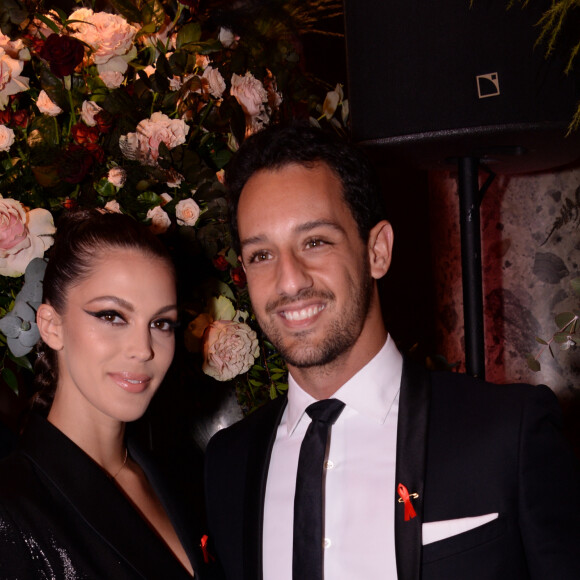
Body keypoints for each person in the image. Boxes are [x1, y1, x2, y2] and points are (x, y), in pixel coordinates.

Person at [204, 123, 580, 580]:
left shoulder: (508, 433)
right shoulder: (229, 463)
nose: (289, 281)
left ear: (377, 250)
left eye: (315, 242)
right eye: (262, 254)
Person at [0, 210, 207, 578]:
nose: (143, 348)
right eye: (112, 316)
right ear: (51, 326)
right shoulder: (12, 511)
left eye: (161, 323)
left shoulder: (184, 476)